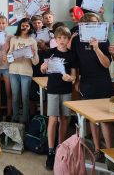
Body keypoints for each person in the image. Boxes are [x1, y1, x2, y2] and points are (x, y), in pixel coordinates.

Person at [71, 12, 114, 159]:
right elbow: (75, 63)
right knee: (91, 118)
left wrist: (96, 49)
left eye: (96, 23)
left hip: (103, 82)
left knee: (104, 119)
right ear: (83, 26)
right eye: (89, 24)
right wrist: (76, 80)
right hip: (86, 83)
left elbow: (107, 64)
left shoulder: (103, 40)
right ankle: (97, 149)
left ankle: (109, 151)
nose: (94, 26)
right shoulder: (77, 41)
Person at [40, 26, 76, 170]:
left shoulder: (72, 55)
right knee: (53, 119)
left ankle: (61, 147)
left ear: (68, 40)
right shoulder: (50, 52)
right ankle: (50, 150)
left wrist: (70, 78)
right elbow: (44, 69)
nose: (62, 40)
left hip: (66, 90)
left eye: (65, 38)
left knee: (65, 119)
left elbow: (74, 76)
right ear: (55, 39)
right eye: (59, 38)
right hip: (53, 90)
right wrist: (43, 67)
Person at [8, 18, 39, 124]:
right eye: (23, 25)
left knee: (25, 97)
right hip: (13, 71)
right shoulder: (14, 39)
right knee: (15, 95)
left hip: (26, 72)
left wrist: (34, 54)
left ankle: (25, 119)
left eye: (27, 26)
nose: (25, 27)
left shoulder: (32, 41)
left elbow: (35, 62)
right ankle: (15, 117)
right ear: (19, 26)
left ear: (30, 27)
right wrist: (13, 55)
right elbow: (9, 56)